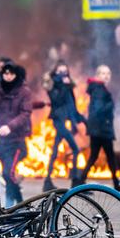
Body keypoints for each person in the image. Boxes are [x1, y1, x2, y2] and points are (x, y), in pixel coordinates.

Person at [0, 63, 31, 206]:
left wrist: (10, 126)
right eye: (5, 73)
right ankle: (20, 205)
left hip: (17, 141)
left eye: (11, 74)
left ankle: (12, 206)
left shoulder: (24, 91)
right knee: (7, 175)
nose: (8, 76)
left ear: (16, 75)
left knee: (8, 173)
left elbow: (25, 113)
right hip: (2, 141)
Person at [77, 65, 120, 190]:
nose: (106, 76)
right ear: (97, 75)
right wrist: (109, 105)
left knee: (95, 156)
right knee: (109, 157)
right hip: (101, 129)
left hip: (99, 129)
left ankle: (81, 181)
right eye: (103, 73)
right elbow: (98, 110)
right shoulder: (99, 89)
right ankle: (117, 184)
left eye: (108, 73)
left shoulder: (99, 88)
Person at [43, 61, 84, 191]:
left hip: (65, 120)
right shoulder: (52, 85)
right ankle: (75, 183)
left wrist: (77, 119)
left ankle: (47, 181)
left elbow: (71, 104)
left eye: (65, 71)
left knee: (55, 150)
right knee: (75, 149)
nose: (63, 74)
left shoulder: (68, 86)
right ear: (55, 72)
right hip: (58, 121)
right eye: (60, 71)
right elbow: (57, 101)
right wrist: (65, 87)